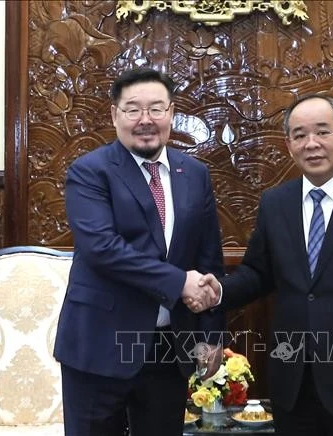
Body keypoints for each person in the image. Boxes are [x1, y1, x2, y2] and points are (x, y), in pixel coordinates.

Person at [197, 95, 333, 435]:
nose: (311, 143)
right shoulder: (276, 203)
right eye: (299, 135)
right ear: (289, 145)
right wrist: (216, 292)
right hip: (293, 380)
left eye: (322, 132)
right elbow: (258, 274)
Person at [54, 68, 224, 436]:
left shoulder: (194, 173)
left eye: (156, 109)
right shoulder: (89, 171)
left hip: (168, 347)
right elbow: (102, 248)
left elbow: (209, 260)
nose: (145, 120)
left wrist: (211, 335)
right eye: (133, 110)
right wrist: (179, 282)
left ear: (172, 114)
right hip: (99, 344)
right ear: (115, 115)